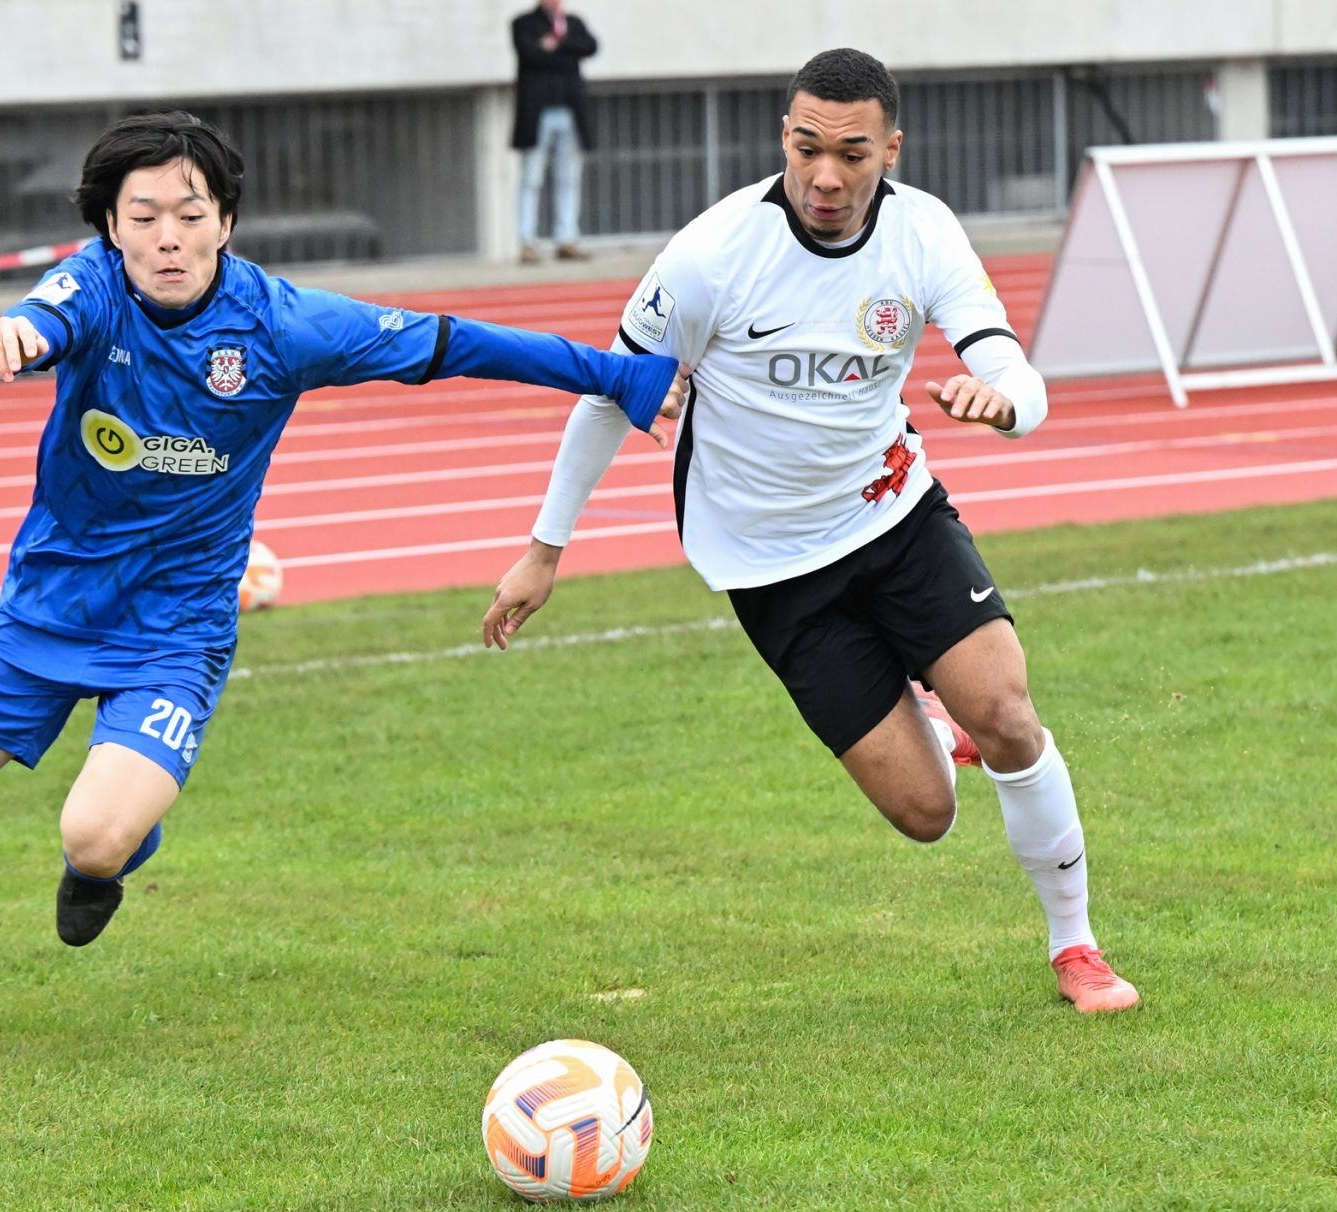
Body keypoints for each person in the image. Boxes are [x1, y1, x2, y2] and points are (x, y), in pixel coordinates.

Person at [0, 110, 685, 1044]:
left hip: (176, 632)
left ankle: (114, 851)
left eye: (190, 214)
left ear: (227, 223)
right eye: (144, 216)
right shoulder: (93, 288)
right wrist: (19, 334)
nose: (168, 237)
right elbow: (47, 313)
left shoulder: (281, 324)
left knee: (95, 839)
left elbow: (454, 344)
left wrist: (618, 375)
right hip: (44, 606)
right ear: (111, 227)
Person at [481, 48, 1140, 1014]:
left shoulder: (923, 232)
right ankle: (928, 716)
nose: (826, 176)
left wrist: (1005, 405)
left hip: (895, 512)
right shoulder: (710, 256)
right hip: (771, 566)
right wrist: (545, 550)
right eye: (807, 148)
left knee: (1007, 715)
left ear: (891, 150)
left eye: (853, 154)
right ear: (783, 138)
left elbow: (1011, 366)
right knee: (926, 813)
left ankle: (1074, 946)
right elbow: (608, 399)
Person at [511, 0, 598, 264]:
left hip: (570, 113)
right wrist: (564, 52)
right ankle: (527, 241)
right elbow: (531, 54)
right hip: (537, 114)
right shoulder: (524, 24)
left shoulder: (573, 23)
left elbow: (590, 46)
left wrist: (556, 44)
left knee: (568, 177)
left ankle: (566, 238)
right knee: (531, 178)